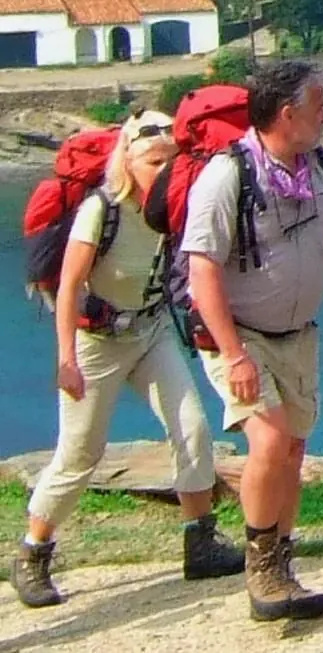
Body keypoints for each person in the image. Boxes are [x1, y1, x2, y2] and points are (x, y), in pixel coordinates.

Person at [181, 60, 323, 622]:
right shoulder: (228, 176)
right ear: (286, 113)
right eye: (319, 104)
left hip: (297, 336)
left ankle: (282, 563)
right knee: (271, 443)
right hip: (237, 336)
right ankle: (262, 569)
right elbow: (201, 270)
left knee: (292, 451)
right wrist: (233, 354)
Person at [13, 112, 246, 609]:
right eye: (151, 160)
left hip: (151, 330)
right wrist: (65, 359)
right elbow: (72, 284)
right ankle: (33, 553)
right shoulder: (102, 209)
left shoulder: (177, 207)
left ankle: (199, 542)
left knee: (192, 429)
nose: (161, 170)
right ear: (128, 160)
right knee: (80, 454)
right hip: (94, 342)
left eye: (168, 160)